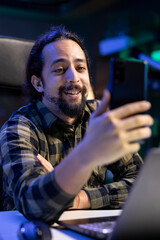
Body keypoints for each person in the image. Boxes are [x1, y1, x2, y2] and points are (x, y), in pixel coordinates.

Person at [0, 25, 153, 224]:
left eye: (80, 68)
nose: (73, 78)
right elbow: (34, 203)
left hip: (86, 228)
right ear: (38, 83)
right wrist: (87, 153)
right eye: (60, 70)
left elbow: (142, 185)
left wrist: (80, 198)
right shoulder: (17, 129)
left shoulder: (98, 116)